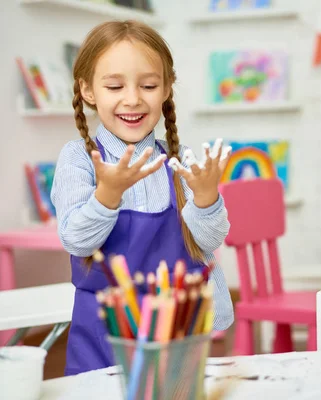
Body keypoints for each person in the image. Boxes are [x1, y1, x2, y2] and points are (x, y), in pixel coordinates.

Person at [50, 20, 234, 376]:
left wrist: (207, 197)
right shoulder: (79, 159)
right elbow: (76, 239)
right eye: (115, 85)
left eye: (148, 85)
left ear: (166, 89)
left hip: (175, 331)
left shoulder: (180, 159)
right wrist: (108, 194)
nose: (133, 98)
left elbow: (209, 242)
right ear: (88, 90)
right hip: (104, 334)